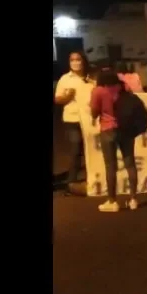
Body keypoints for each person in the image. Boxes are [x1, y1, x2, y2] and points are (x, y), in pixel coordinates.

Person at [90, 68, 139, 212]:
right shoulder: (123, 87)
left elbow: (94, 111)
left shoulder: (98, 91)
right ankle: (133, 199)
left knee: (111, 166)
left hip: (108, 129)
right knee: (130, 163)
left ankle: (112, 201)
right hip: (126, 129)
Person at [54, 51, 94, 196]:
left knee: (91, 150)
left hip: (91, 121)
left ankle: (93, 180)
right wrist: (67, 96)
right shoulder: (65, 79)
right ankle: (70, 183)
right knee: (76, 150)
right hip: (72, 120)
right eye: (72, 60)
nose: (75, 62)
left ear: (84, 61)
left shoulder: (91, 79)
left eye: (78, 59)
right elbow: (57, 99)